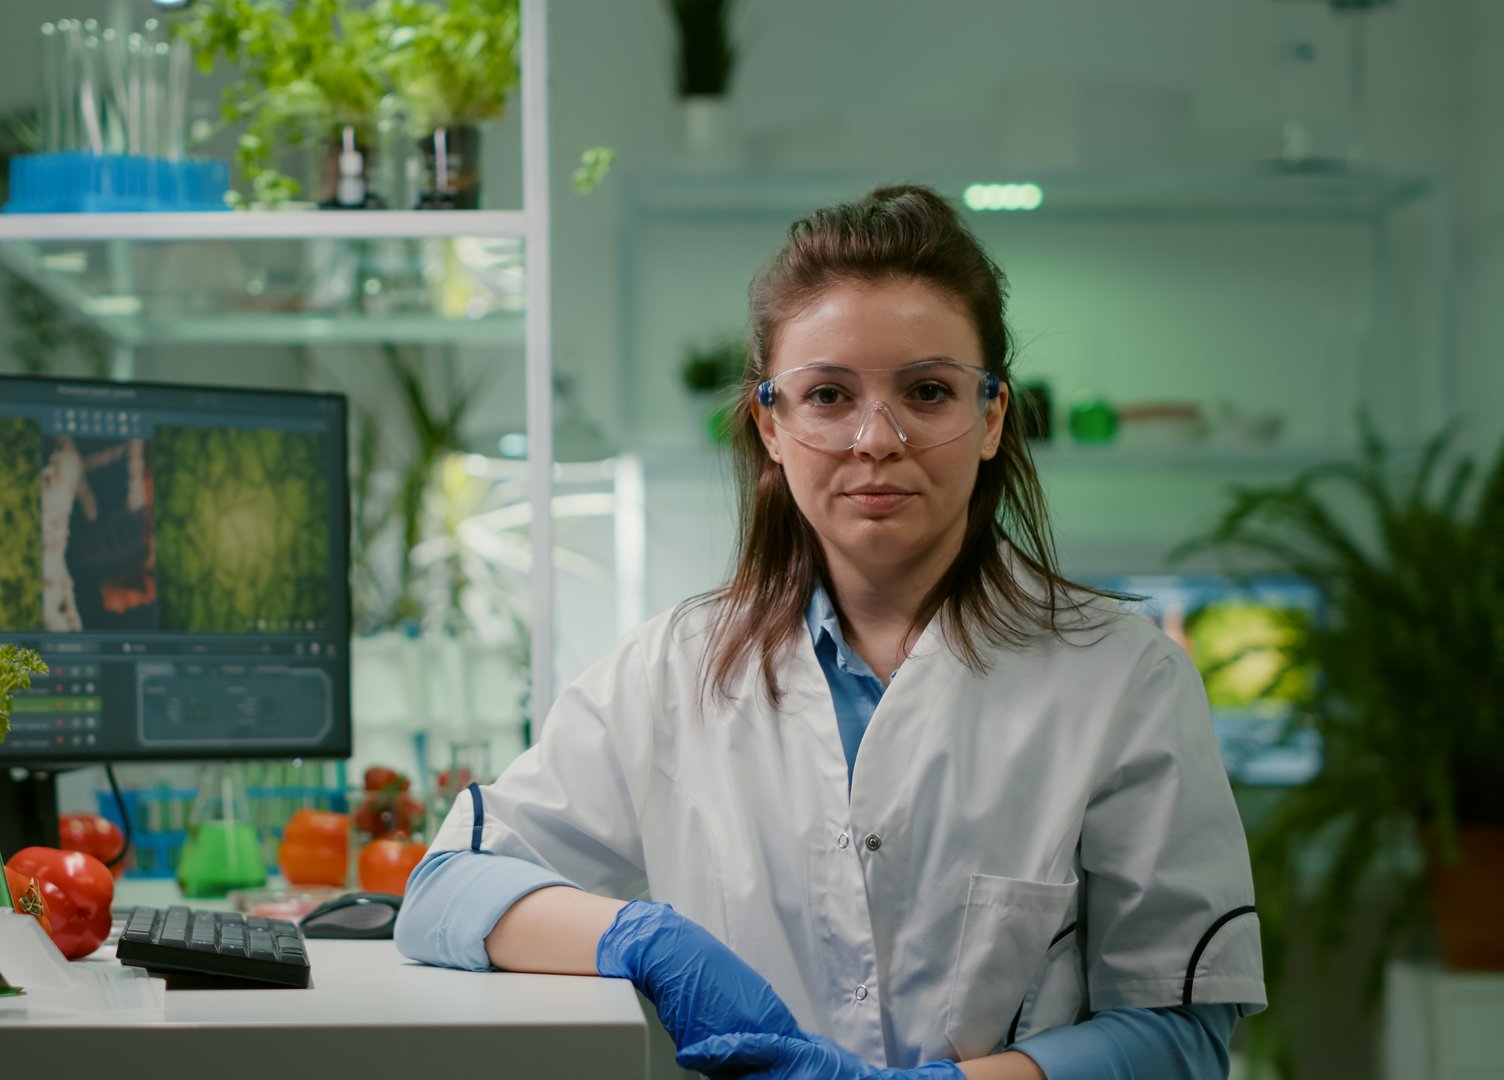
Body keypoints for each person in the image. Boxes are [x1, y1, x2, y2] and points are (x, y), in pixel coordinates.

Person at [395, 185, 1265, 1079]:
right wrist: (645, 939)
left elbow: (1180, 1031)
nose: (875, 439)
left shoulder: (1124, 679)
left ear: (992, 417)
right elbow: (446, 889)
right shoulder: (670, 672)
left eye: (928, 391)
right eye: (828, 395)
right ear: (772, 424)